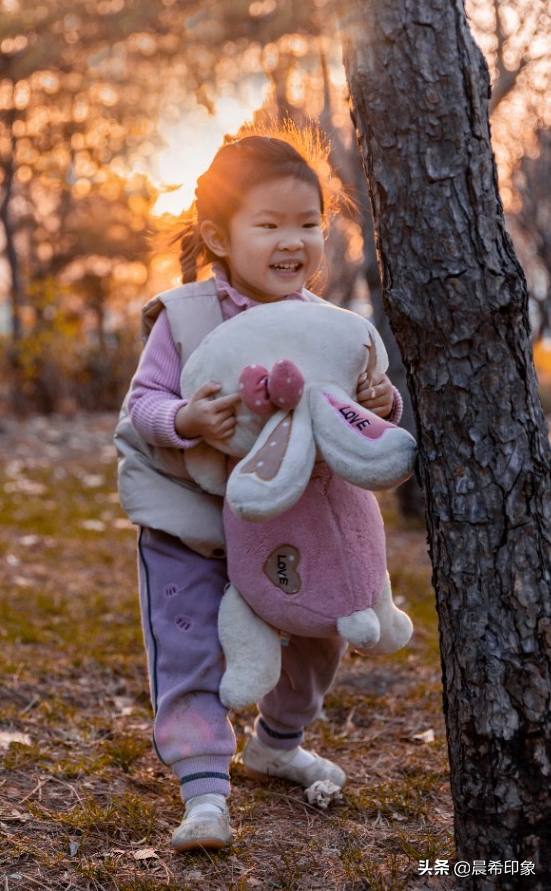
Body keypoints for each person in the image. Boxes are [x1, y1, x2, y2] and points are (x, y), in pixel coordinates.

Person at [114, 135, 403, 853]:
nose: (292, 241)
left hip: (290, 528)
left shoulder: (328, 324)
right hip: (192, 528)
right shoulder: (185, 317)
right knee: (189, 650)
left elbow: (353, 412)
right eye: (269, 224)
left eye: (308, 223)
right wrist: (186, 420)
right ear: (218, 235)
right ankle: (204, 790)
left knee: (317, 635)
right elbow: (142, 404)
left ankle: (278, 742)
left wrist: (381, 399)